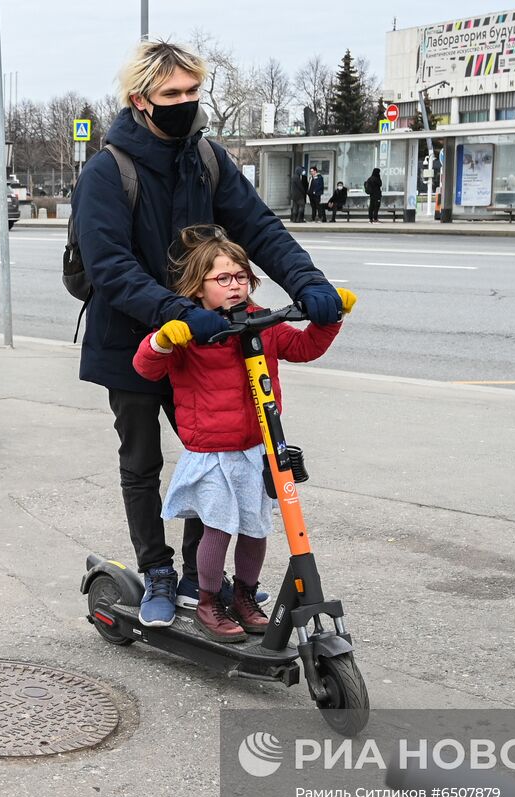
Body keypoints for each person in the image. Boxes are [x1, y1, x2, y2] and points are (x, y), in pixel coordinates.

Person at [73, 39, 344, 627]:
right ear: (141, 100)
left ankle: (205, 577)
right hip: (134, 343)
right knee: (142, 460)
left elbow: (261, 229)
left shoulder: (207, 159)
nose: (186, 103)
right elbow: (109, 266)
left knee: (216, 457)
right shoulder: (106, 171)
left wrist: (309, 282)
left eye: (193, 91)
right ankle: (159, 570)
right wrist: (174, 311)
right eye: (173, 93)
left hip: (207, 342)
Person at [132, 225, 354, 640]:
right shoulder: (190, 331)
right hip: (213, 452)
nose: (234, 286)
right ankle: (208, 600)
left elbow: (303, 348)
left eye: (241, 278)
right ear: (199, 288)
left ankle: (245, 596)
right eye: (222, 279)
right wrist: (164, 339)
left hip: (257, 449)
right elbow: (146, 367)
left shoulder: (261, 324)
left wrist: (330, 319)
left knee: (256, 527)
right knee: (218, 528)